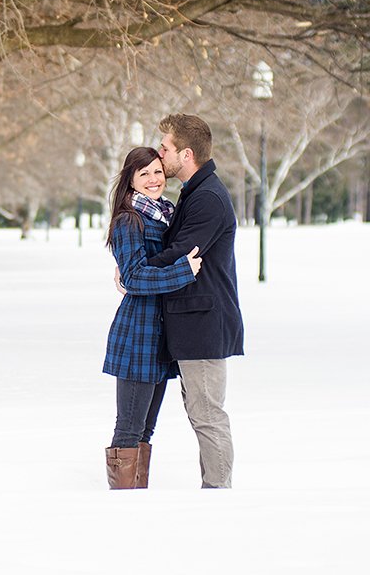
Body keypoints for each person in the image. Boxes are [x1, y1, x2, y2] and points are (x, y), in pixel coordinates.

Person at [147, 113, 243, 489]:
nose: (160, 154)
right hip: (194, 323)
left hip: (204, 324)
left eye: (165, 148)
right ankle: (215, 490)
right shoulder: (195, 192)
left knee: (207, 414)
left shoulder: (208, 198)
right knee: (200, 411)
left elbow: (181, 252)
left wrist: (136, 269)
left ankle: (218, 492)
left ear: (186, 154)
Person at [104, 146, 203, 490]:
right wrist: (182, 271)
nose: (153, 179)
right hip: (137, 337)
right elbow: (134, 277)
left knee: (146, 429)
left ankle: (137, 497)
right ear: (130, 180)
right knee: (129, 428)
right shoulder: (129, 220)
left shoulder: (163, 216)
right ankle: (123, 498)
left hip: (159, 337)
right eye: (143, 173)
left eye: (158, 171)